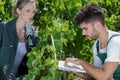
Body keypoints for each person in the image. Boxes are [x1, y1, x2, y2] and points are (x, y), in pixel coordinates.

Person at [64, 3, 120, 80]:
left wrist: (81, 62)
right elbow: (97, 76)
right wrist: (76, 71)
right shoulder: (96, 46)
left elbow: (104, 77)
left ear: (97, 25)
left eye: (85, 29)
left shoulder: (115, 42)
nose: (83, 33)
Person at [0, 0, 39, 80]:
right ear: (18, 11)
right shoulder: (4, 28)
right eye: (28, 11)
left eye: (33, 11)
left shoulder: (31, 33)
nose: (31, 14)